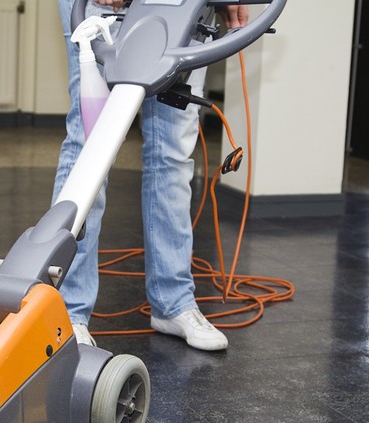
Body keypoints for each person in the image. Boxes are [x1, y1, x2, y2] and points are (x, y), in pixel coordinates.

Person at [52, 0, 248, 351]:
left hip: (183, 7)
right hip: (100, 8)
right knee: (91, 143)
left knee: (172, 151)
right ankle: (67, 311)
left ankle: (173, 302)